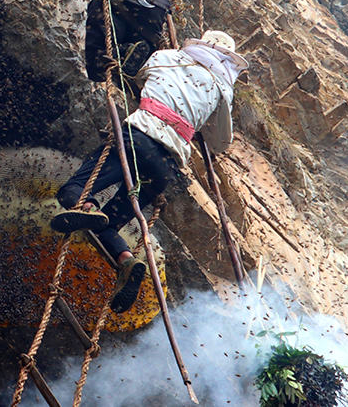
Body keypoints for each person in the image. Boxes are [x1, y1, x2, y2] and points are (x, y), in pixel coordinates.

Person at [53, 30, 248, 312]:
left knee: (73, 190)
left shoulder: (167, 57)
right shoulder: (222, 90)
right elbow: (220, 143)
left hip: (139, 137)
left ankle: (88, 205)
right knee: (109, 225)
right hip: (167, 165)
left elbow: (141, 79)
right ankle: (126, 261)